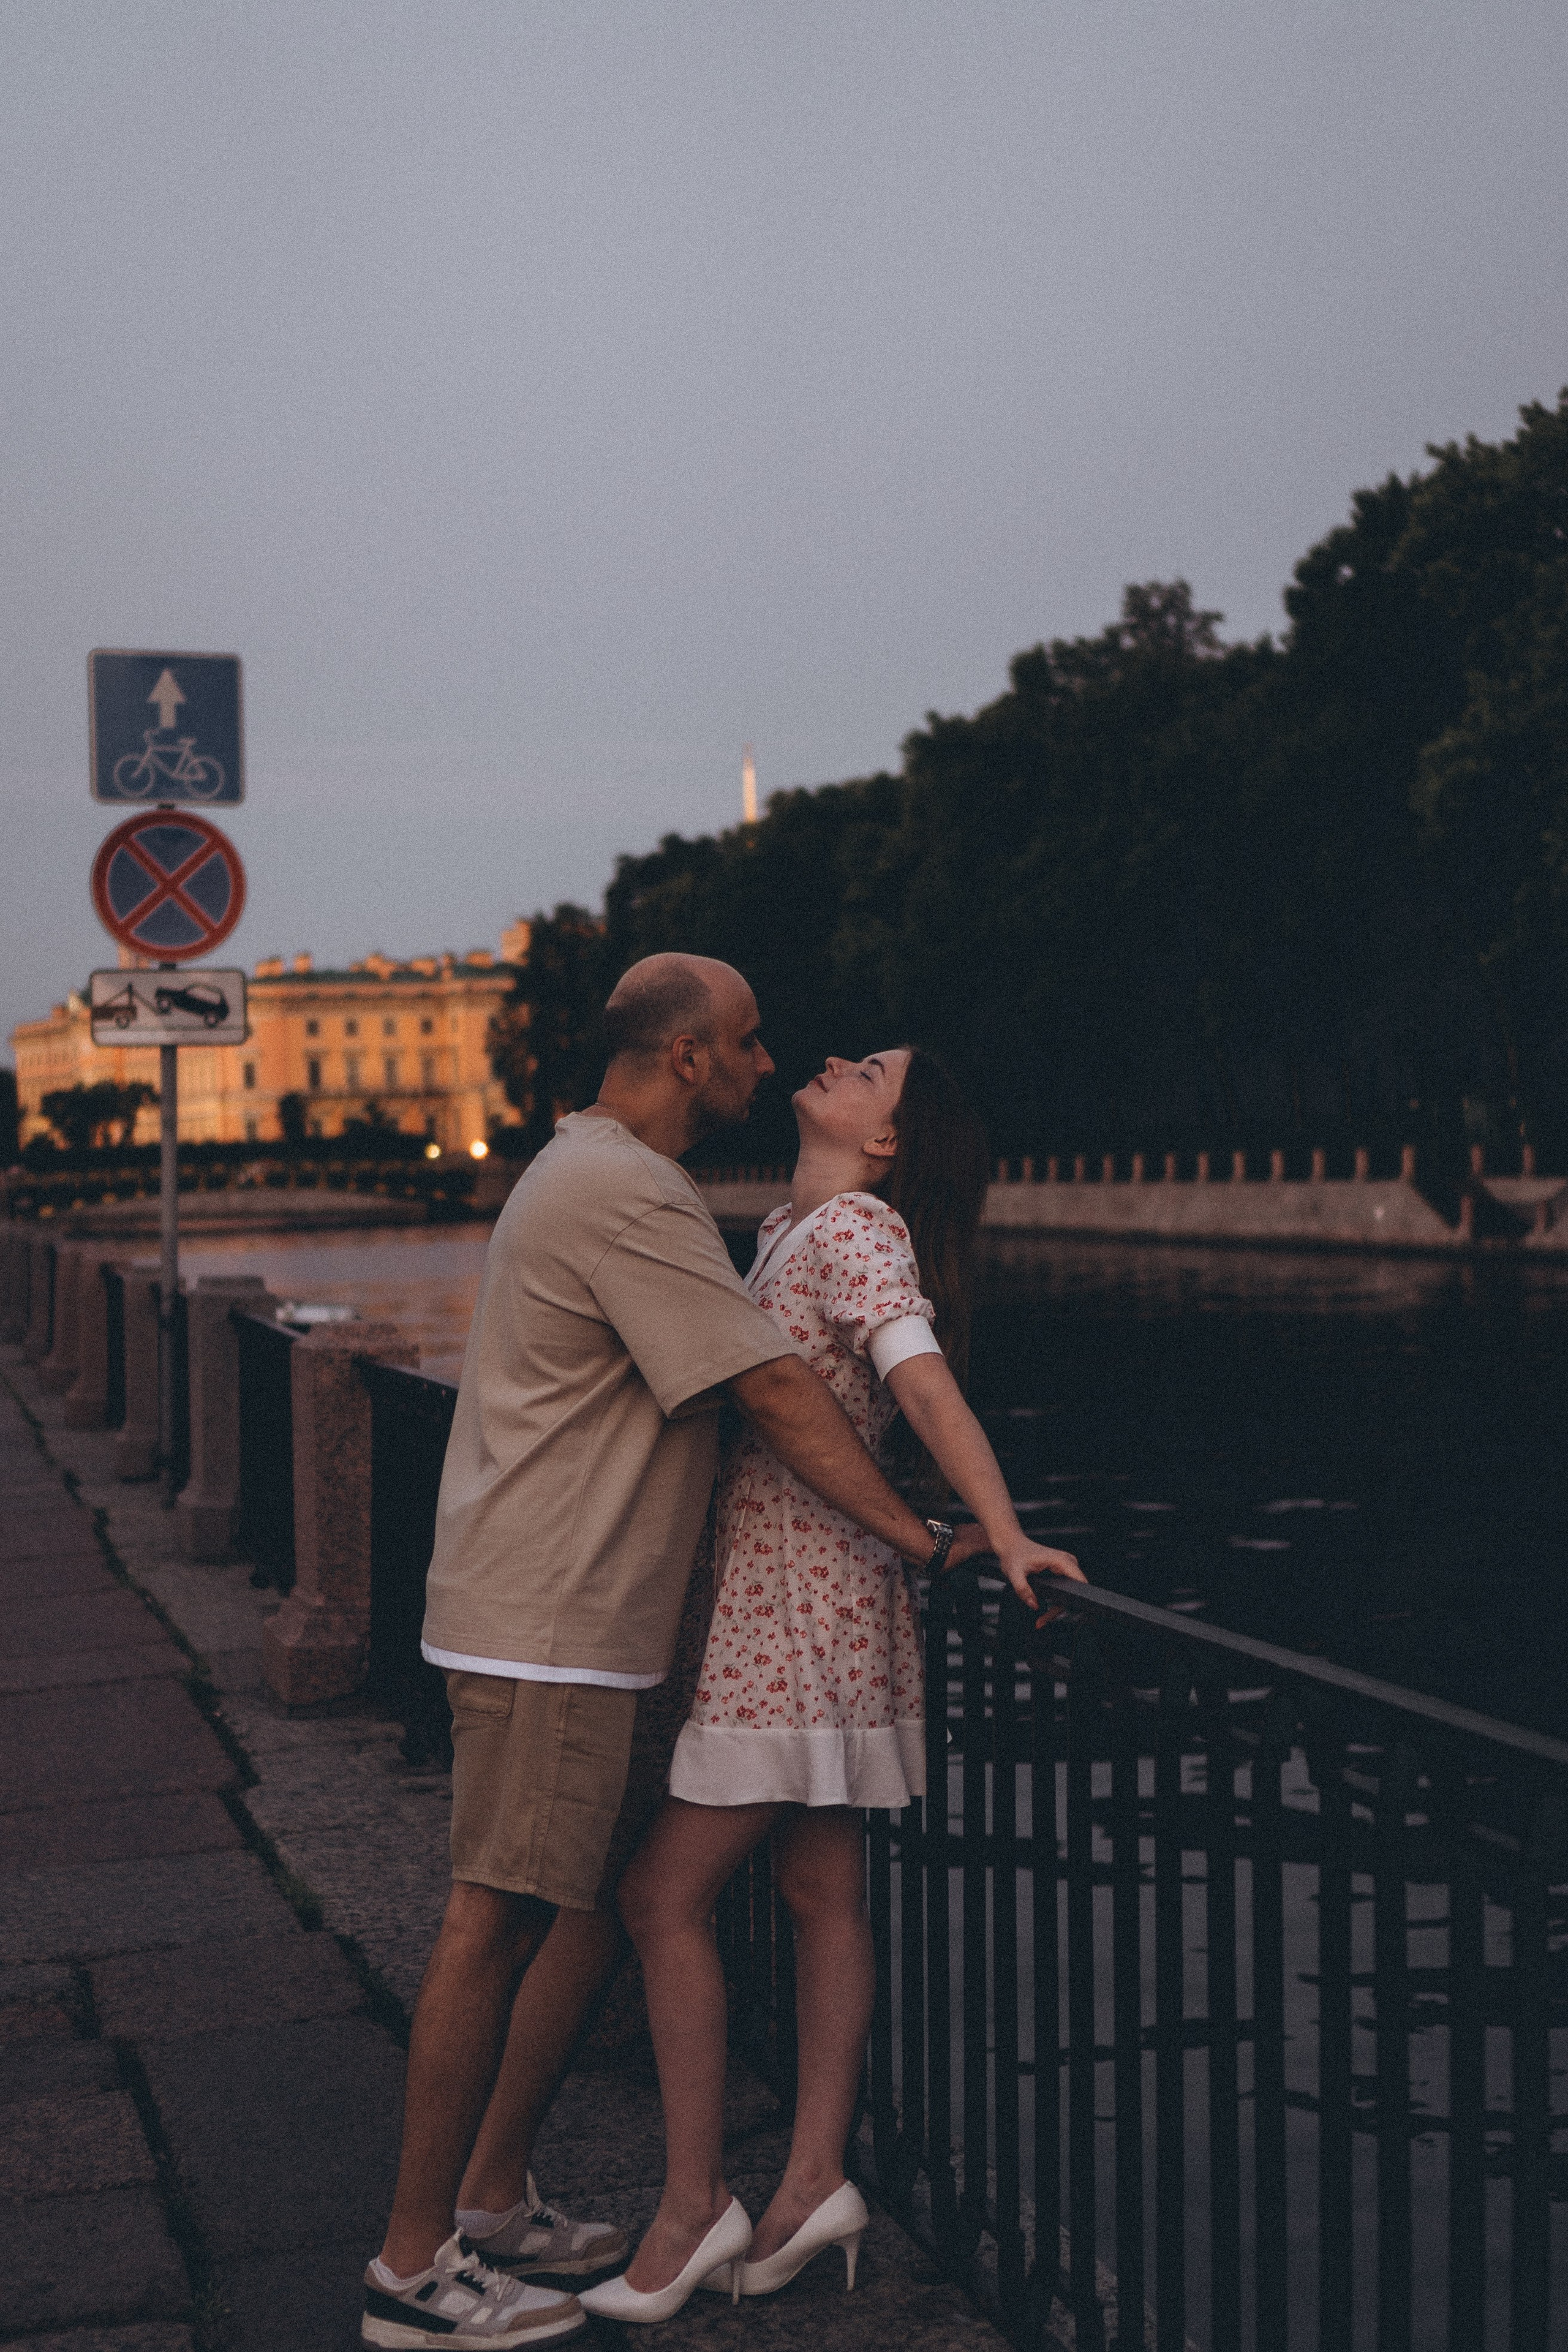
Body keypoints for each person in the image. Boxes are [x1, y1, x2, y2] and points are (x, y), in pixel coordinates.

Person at [363, 964, 997, 2350]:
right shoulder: (634, 1194)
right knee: (499, 1917)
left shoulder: (614, 1176)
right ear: (690, 1057)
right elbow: (769, 1388)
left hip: (605, 1613)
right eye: (753, 1043)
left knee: (595, 1905)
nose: (775, 1062)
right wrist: (926, 1538)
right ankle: (413, 2272)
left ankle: (492, 2194)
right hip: (554, 1619)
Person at [581, 1046, 1085, 2325]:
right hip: (808, 1602)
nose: (834, 1061)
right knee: (818, 1889)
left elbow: (915, 1374)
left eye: (869, 1071)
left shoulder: (855, 1226)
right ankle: (811, 2183)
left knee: (658, 1895)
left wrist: (1003, 1526)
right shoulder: (789, 1226)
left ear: (883, 1142)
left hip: (794, 1613)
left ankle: (693, 2208)